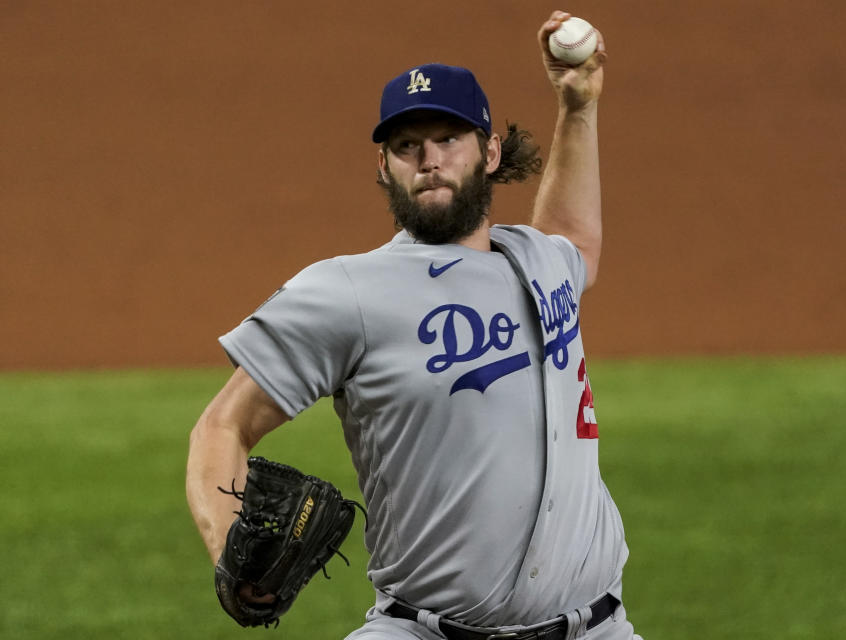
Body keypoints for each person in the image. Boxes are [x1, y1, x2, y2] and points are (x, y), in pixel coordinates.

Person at [186, 10, 641, 640]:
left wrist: (579, 107)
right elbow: (222, 425)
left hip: (596, 629)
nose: (429, 159)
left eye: (449, 138)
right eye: (407, 145)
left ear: (490, 151)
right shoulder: (345, 290)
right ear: (384, 166)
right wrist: (229, 556)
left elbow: (573, 237)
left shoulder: (543, 260)